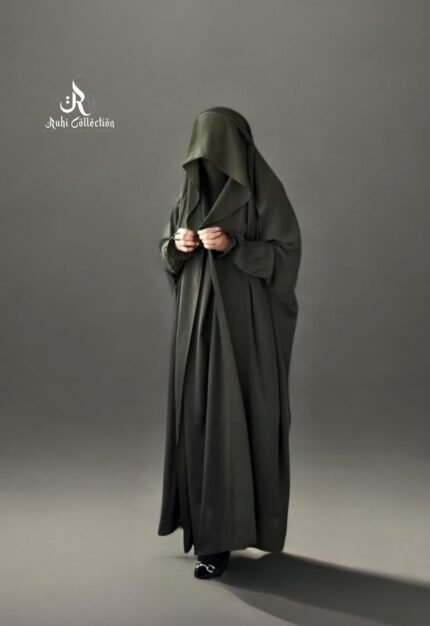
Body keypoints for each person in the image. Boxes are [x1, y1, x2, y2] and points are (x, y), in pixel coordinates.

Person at [157, 106, 301, 580]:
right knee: (199, 423)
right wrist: (176, 246)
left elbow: (286, 256)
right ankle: (206, 532)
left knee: (234, 425)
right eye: (202, 157)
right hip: (195, 336)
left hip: (242, 337)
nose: (210, 166)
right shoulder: (190, 198)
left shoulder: (263, 195)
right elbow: (167, 253)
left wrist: (234, 247)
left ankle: (222, 539)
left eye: (218, 156)